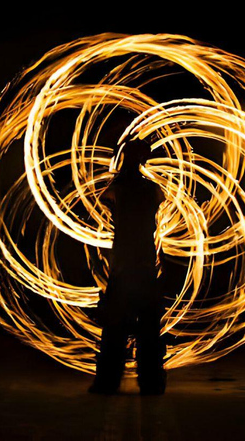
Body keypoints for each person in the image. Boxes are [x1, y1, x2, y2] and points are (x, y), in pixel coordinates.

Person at [88, 138, 167, 395]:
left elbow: (107, 203)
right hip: (141, 262)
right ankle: (150, 382)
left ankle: (109, 381)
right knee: (145, 328)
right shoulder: (150, 190)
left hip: (126, 263)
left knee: (117, 327)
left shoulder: (117, 188)